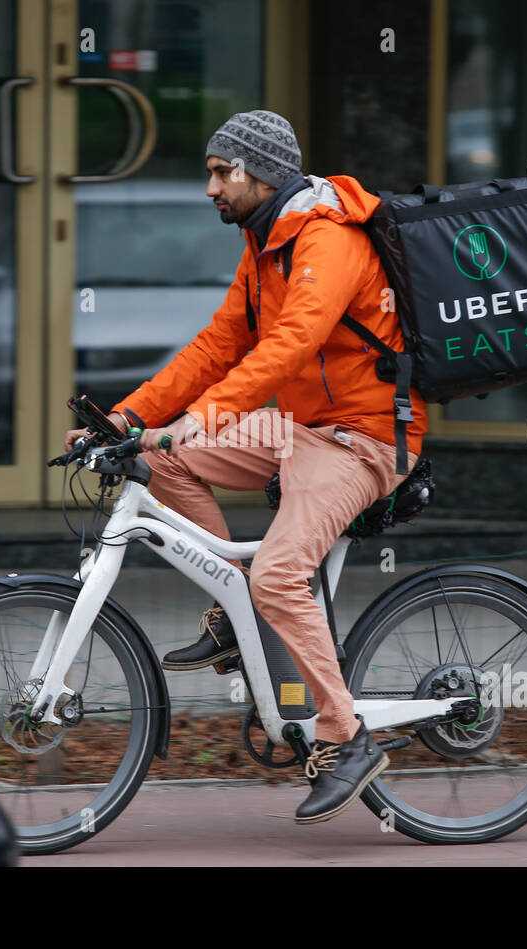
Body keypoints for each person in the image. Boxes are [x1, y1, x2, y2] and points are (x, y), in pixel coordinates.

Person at [64, 109, 428, 825]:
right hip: (296, 428)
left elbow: (292, 343)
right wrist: (131, 420)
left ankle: (344, 736)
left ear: (262, 174)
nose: (209, 188)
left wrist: (208, 414)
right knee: (157, 463)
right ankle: (241, 609)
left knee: (282, 572)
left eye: (221, 172)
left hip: (363, 437)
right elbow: (217, 345)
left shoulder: (328, 236)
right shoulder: (265, 244)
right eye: (210, 171)